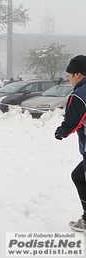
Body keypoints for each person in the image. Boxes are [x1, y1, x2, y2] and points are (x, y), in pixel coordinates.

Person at [55, 55, 86, 232]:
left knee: (80, 177)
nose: (69, 81)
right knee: (79, 176)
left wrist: (61, 132)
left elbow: (72, 121)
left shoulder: (80, 94)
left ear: (78, 74)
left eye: (69, 76)